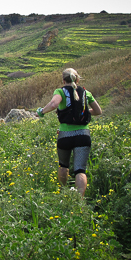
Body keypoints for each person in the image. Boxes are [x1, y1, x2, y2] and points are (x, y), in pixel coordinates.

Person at [35, 68, 102, 196]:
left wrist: (41, 112)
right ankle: (79, 199)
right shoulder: (86, 93)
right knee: (80, 170)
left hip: (65, 135)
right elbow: (98, 111)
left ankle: (63, 192)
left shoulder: (60, 91)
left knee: (63, 165)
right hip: (83, 135)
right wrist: (83, 113)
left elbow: (54, 104)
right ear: (77, 79)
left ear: (63, 79)